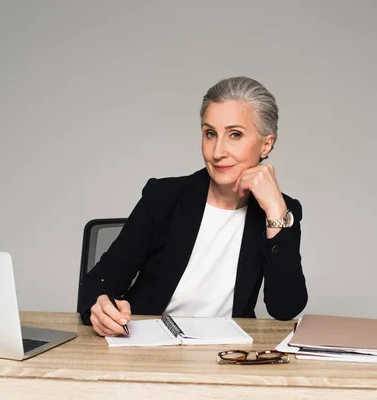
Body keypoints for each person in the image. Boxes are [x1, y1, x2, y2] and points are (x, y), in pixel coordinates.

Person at [78, 76, 308, 337]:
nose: (218, 151)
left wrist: (276, 212)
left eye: (235, 135)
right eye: (210, 134)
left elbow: (286, 307)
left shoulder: (280, 210)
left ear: (266, 144)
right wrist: (99, 308)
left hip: (226, 352)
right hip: (148, 345)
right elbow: (98, 282)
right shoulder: (163, 197)